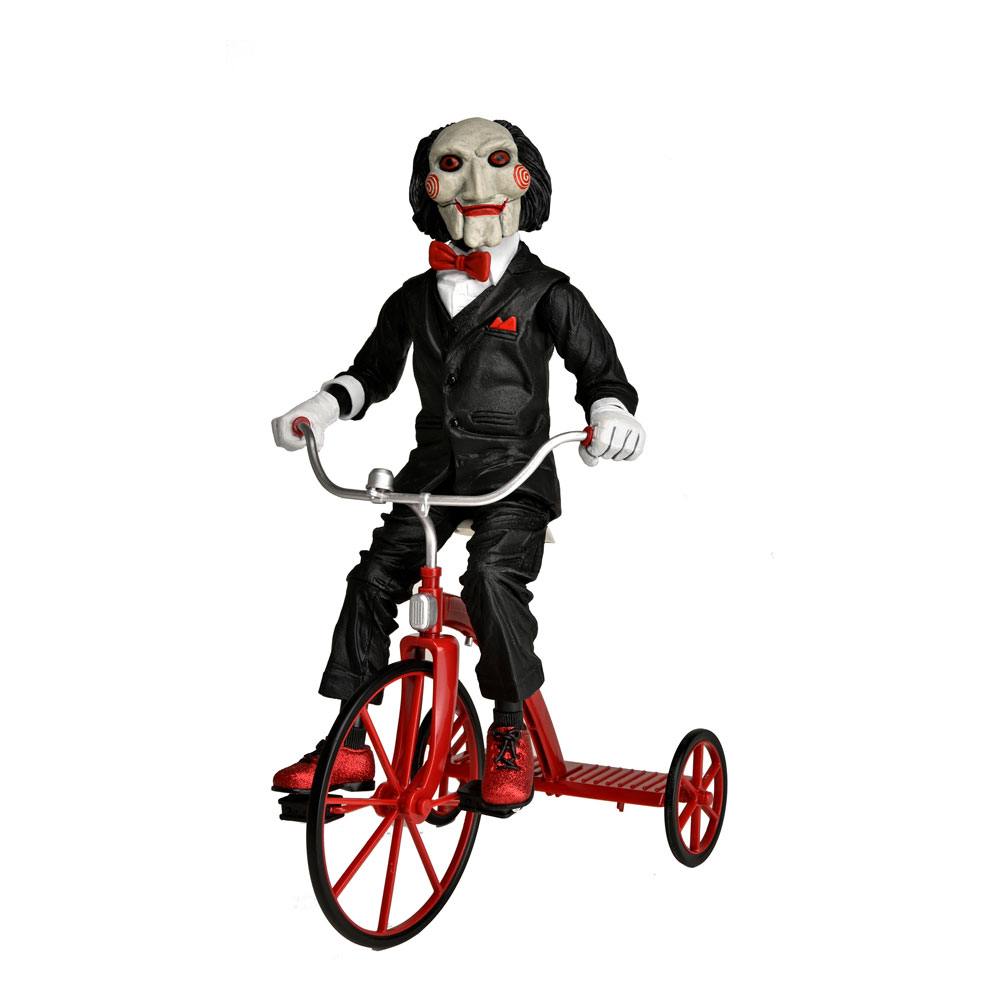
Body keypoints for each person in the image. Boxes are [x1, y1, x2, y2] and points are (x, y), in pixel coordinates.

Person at [271, 118, 644, 808]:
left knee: (493, 581)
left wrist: (611, 414)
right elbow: (371, 374)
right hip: (432, 476)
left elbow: (602, 375)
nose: (476, 184)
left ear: (526, 183)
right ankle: (350, 739)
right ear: (429, 190)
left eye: (497, 161)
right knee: (373, 579)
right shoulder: (414, 296)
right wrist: (321, 409)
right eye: (452, 167)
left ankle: (508, 729)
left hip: (516, 473)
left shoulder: (548, 292)